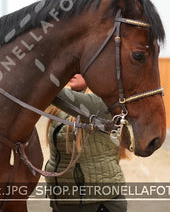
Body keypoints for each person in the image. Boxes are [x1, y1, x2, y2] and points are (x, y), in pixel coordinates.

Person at [45, 74, 127, 212]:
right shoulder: (59, 106)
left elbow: (48, 89)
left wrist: (39, 71)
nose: (73, 72)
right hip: (63, 200)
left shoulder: (103, 101)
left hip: (98, 203)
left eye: (79, 69)